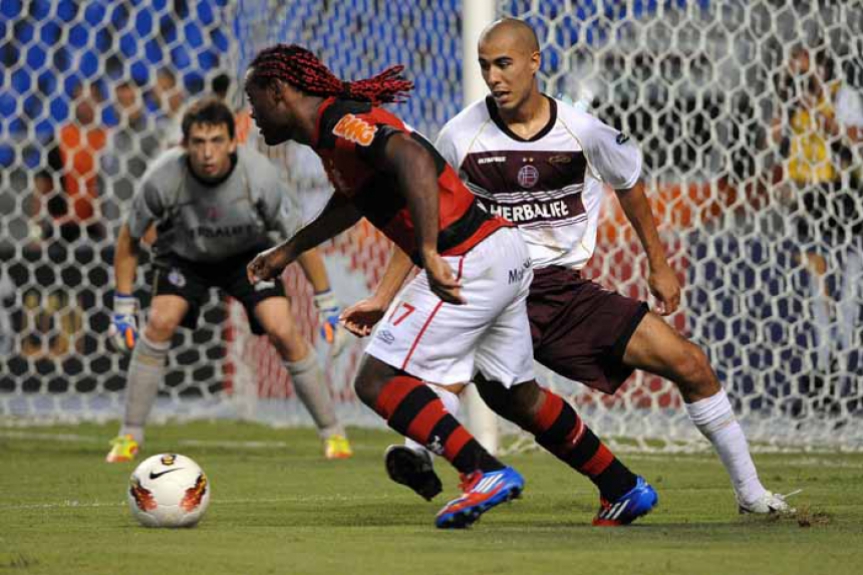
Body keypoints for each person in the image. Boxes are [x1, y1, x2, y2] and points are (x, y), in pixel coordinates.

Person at [343, 18, 793, 515]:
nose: (494, 77)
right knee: (459, 376)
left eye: (504, 64)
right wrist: (383, 297)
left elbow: (630, 183)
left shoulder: (582, 130)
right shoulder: (460, 135)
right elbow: (423, 216)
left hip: (561, 292)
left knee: (689, 363)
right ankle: (423, 456)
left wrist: (658, 264)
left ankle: (751, 495)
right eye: (485, 66)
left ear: (534, 62)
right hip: (490, 279)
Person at [244, 43, 657, 529]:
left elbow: (414, 161)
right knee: (513, 395)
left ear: (278, 91)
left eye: (254, 104)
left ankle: (482, 473)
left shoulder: (342, 122)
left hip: (467, 256)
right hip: (501, 252)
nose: (252, 118)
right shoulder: (331, 134)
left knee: (377, 380)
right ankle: (621, 486)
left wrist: (430, 251)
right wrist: (287, 252)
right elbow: (355, 200)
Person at [105, 97, 353, 463]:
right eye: (199, 142)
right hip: (185, 256)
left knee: (282, 328)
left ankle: (334, 434)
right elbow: (129, 239)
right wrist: (123, 307)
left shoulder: (260, 176)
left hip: (247, 257)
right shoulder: (161, 178)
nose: (208, 152)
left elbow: (300, 238)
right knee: (159, 321)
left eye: (216, 140)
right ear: (184, 144)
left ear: (232, 141)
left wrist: (327, 303)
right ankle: (129, 435)